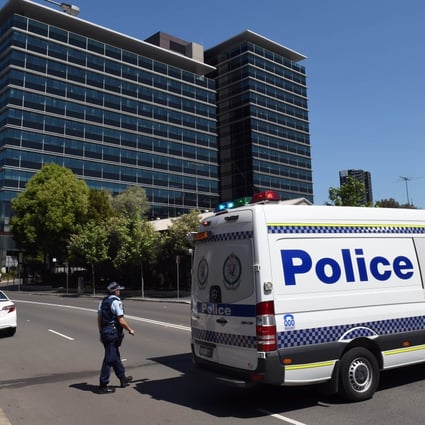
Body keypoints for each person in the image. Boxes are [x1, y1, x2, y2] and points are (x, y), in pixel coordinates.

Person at [97, 281, 135, 394]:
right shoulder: (116, 302)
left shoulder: (103, 301)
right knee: (109, 359)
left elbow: (99, 318)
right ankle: (103, 385)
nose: (120, 291)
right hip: (112, 332)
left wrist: (101, 332)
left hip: (105, 331)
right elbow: (121, 320)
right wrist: (129, 329)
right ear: (115, 291)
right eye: (118, 290)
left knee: (115, 356)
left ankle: (123, 379)